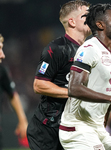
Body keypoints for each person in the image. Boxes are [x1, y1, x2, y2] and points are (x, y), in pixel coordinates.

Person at [59, 3, 111, 150]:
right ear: (100, 25)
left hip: (97, 128)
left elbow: (106, 88)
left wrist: (105, 118)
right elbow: (74, 88)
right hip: (77, 128)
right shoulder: (89, 49)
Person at [26, 0, 91, 150]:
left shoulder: (90, 50)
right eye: (86, 15)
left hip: (72, 127)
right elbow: (39, 85)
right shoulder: (56, 48)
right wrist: (75, 93)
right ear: (72, 22)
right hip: (48, 129)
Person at [0, 34, 28, 150]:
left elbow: (13, 94)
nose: (3, 55)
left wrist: (22, 120)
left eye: (2, 48)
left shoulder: (2, 71)